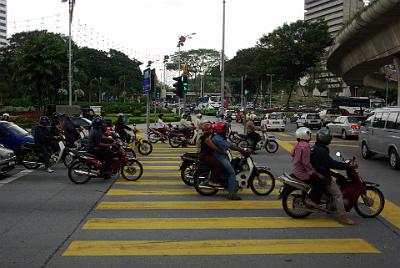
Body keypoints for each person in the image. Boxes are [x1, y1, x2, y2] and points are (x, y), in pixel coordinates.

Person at [310, 127, 357, 225]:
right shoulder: (322, 151)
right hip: (321, 175)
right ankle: (343, 217)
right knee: (338, 194)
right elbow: (332, 164)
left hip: (316, 173)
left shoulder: (315, 147)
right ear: (326, 139)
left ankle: (329, 206)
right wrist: (347, 165)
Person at [212, 121, 249, 200]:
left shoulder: (219, 137)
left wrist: (240, 148)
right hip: (220, 157)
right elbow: (231, 146)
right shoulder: (217, 139)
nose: (226, 130)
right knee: (231, 173)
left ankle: (229, 184)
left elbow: (230, 144)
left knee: (233, 165)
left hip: (223, 156)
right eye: (224, 129)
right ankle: (231, 194)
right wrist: (241, 150)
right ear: (220, 130)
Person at [290, 127, 325, 207]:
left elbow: (292, 154)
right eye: (309, 134)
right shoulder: (305, 146)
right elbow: (306, 163)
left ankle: (305, 195)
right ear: (305, 135)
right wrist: (316, 172)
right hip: (302, 172)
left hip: (296, 170)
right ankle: (311, 200)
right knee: (320, 181)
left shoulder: (298, 144)